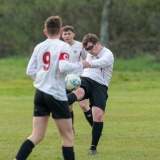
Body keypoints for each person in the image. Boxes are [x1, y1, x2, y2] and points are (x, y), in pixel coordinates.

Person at [14, 15, 90, 160]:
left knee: (36, 135)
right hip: (55, 93)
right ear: (61, 31)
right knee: (68, 137)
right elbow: (63, 66)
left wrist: (43, 80)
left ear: (45, 32)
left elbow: (30, 71)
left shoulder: (39, 47)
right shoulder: (63, 46)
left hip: (40, 93)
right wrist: (81, 65)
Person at [67, 33, 114, 155]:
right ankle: (57, 103)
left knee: (98, 115)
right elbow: (87, 68)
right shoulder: (90, 53)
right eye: (87, 49)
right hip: (86, 79)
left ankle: (93, 148)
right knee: (78, 92)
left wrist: (84, 63)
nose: (89, 51)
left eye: (90, 48)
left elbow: (98, 63)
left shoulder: (108, 54)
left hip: (100, 85)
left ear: (97, 44)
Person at [62, 26, 93, 133]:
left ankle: (95, 127)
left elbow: (88, 60)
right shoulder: (60, 47)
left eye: (69, 33)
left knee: (84, 105)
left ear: (73, 34)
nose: (67, 36)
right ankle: (71, 128)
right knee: (68, 106)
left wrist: (86, 74)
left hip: (79, 79)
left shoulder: (80, 46)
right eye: (65, 34)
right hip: (66, 80)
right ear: (62, 35)